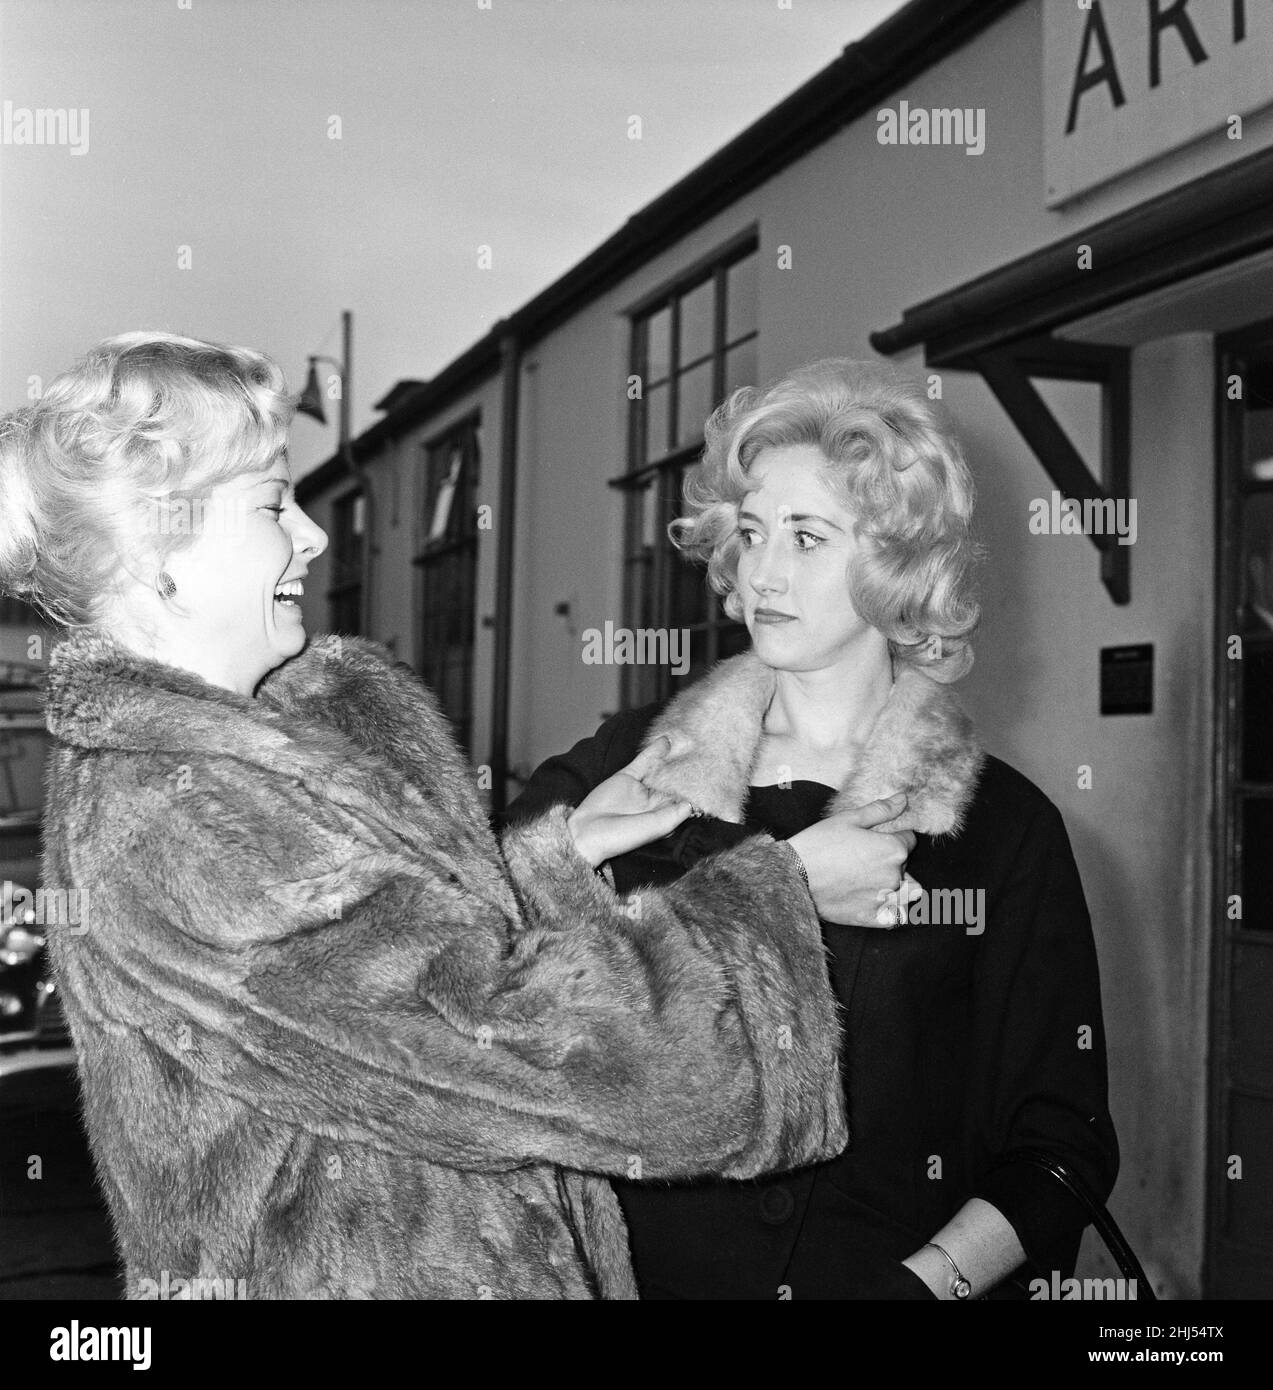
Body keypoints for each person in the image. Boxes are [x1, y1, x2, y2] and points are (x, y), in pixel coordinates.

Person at [0, 333, 902, 1300]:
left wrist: (559, 857)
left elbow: (383, 976)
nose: (311, 536)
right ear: (155, 552)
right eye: (270, 503)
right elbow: (522, 1046)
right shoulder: (176, 815)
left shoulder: (260, 746)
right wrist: (781, 894)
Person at [506, 358, 1119, 1300]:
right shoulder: (633, 765)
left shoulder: (1003, 829)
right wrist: (764, 884)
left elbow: (1059, 1150)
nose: (762, 572)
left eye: (806, 536)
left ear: (892, 564)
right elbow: (455, 951)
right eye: (750, 534)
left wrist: (920, 1292)